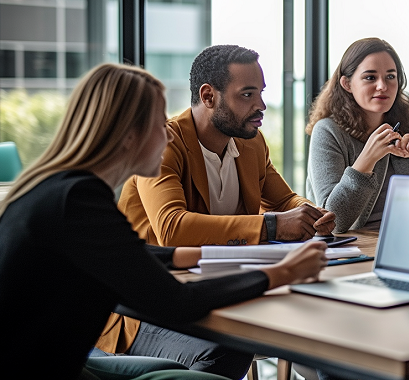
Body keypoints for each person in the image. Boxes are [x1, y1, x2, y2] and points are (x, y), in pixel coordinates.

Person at [0, 63, 328, 380]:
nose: (169, 136)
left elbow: (121, 255)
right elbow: (175, 303)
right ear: (129, 135)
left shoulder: (57, 188)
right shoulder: (79, 200)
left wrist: (187, 255)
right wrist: (282, 272)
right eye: (160, 125)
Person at [95, 45, 336, 379]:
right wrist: (272, 227)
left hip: (221, 287)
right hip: (144, 310)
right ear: (208, 96)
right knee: (228, 349)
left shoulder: (251, 142)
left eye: (261, 93)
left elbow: (283, 201)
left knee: (318, 319)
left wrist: (311, 213)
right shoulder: (163, 143)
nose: (261, 106)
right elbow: (172, 228)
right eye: (247, 94)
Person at [306, 37, 409, 232]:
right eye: (370, 77)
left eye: (390, 76)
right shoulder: (328, 131)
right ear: (347, 84)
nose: (382, 86)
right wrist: (367, 159)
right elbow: (333, 223)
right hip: (354, 246)